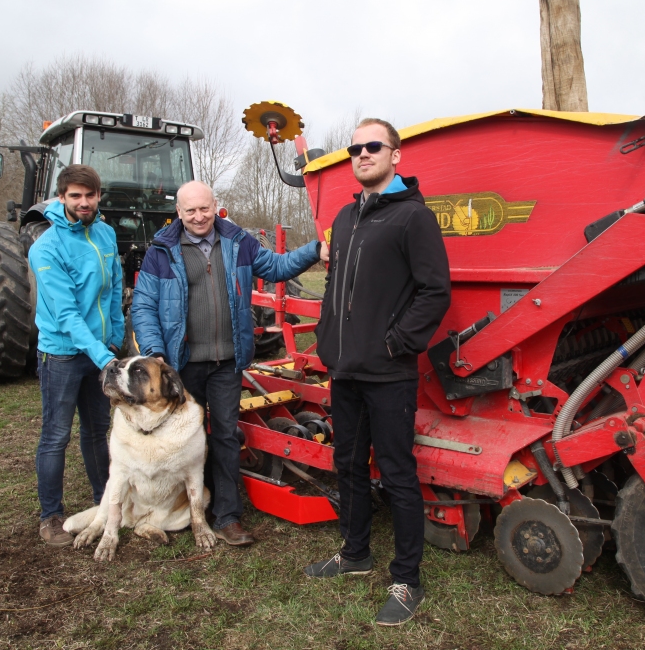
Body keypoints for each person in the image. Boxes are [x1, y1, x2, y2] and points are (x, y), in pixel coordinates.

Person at [305, 118, 451, 626]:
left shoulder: (413, 218)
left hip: (389, 374)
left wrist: (395, 343)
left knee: (396, 473)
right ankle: (355, 553)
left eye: (373, 146)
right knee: (346, 464)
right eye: (355, 148)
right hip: (344, 370)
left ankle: (407, 580)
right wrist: (327, 338)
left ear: (396, 155)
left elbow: (436, 291)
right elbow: (333, 288)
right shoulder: (345, 218)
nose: (362, 154)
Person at [131, 180, 327, 546]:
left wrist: (316, 249)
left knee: (223, 436)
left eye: (204, 208)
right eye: (190, 210)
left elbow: (278, 266)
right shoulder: (162, 250)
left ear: (215, 205)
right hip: (180, 365)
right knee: (179, 438)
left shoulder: (238, 242)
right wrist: (157, 352)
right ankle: (176, 507)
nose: (198, 216)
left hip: (226, 362)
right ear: (179, 212)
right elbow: (144, 305)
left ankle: (227, 515)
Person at [28, 164, 124, 546]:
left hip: (100, 351)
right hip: (64, 355)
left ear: (99, 196)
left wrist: (114, 337)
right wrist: (104, 358)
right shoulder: (46, 247)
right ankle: (50, 515)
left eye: (90, 195)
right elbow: (65, 314)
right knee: (56, 434)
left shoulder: (106, 233)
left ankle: (106, 503)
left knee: (97, 430)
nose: (83, 202)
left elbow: (113, 288)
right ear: (62, 197)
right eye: (75, 196)